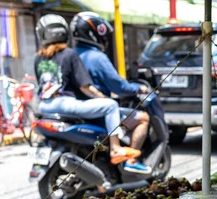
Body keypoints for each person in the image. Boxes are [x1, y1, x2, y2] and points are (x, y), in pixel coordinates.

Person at [34, 14, 140, 165]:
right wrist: (102, 98)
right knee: (111, 106)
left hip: (44, 106)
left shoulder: (38, 58)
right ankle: (116, 148)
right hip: (65, 104)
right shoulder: (70, 54)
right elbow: (85, 87)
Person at [71, 12, 152, 174]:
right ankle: (131, 161)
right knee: (143, 118)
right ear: (93, 33)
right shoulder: (97, 57)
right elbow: (118, 86)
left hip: (75, 109)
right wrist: (137, 88)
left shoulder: (70, 54)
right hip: (98, 113)